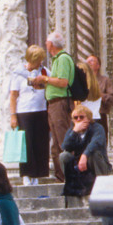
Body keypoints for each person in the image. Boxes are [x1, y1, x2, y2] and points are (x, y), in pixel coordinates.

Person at [30, 30, 75, 182]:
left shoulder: (62, 59)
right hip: (53, 104)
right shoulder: (56, 60)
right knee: (55, 145)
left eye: (46, 42)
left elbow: (63, 82)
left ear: (51, 44)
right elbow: (56, 83)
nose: (45, 45)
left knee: (63, 141)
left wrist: (45, 78)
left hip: (60, 104)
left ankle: (70, 175)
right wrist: (43, 84)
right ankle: (60, 176)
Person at [9, 44, 49, 184]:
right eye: (36, 60)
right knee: (26, 144)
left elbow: (49, 90)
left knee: (40, 143)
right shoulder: (18, 73)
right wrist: (13, 115)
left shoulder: (44, 72)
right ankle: (26, 175)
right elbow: (13, 95)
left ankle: (38, 176)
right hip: (24, 112)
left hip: (41, 111)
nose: (39, 63)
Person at [59, 103, 111, 198]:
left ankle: (102, 186)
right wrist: (74, 132)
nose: (78, 120)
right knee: (64, 156)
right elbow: (65, 146)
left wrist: (84, 155)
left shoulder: (97, 128)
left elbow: (95, 143)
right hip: (80, 168)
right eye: (75, 118)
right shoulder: (72, 130)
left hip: (96, 165)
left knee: (94, 153)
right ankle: (71, 185)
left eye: (81, 117)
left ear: (88, 118)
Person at [84, 54, 113, 130]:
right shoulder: (82, 81)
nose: (89, 62)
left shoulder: (105, 80)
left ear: (98, 65)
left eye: (92, 60)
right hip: (84, 116)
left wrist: (101, 95)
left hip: (99, 116)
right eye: (87, 61)